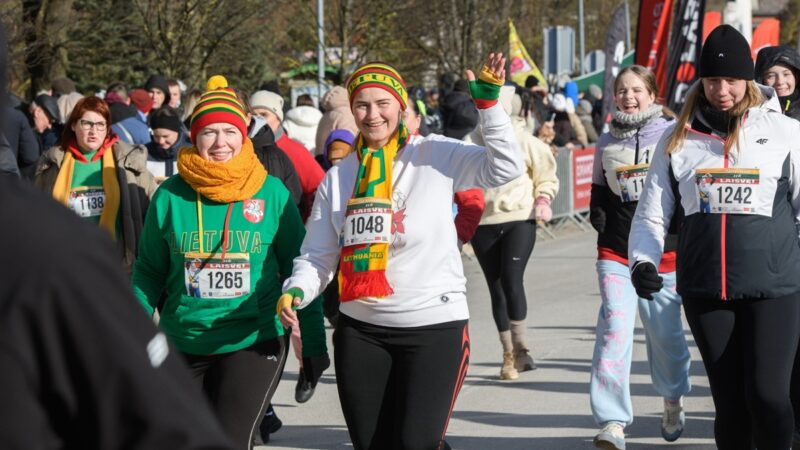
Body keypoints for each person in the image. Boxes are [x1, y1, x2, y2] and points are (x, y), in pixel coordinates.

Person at [278, 54, 523, 450]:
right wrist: (297, 290)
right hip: (361, 330)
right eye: (362, 105)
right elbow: (318, 256)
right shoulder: (339, 178)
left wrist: (489, 108)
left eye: (382, 104)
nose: (372, 115)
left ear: (401, 106)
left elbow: (505, 168)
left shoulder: (436, 154)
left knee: (415, 444)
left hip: (433, 327)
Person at [629, 25, 800, 450]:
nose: (721, 90)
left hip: (774, 287)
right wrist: (643, 261)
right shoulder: (677, 139)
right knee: (731, 403)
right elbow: (653, 210)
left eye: (731, 80)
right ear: (700, 81)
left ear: (747, 80)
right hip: (707, 288)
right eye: (711, 80)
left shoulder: (784, 132)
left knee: (769, 395)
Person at [132, 76, 325, 450]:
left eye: (229, 132)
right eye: (208, 133)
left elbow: (301, 264)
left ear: (244, 136)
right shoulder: (170, 195)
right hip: (183, 339)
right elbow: (149, 271)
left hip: (252, 340)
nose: (220, 143)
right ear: (194, 136)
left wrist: (313, 342)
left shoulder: (270, 192)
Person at [588, 65, 692, 449]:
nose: (628, 97)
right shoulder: (605, 142)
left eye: (636, 90)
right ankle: (612, 420)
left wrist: (680, 233)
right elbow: (600, 191)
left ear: (652, 94)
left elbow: (685, 189)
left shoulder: (671, 134)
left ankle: (672, 398)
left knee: (665, 335)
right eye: (622, 91)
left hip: (662, 253)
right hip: (615, 251)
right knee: (615, 328)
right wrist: (597, 212)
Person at [467, 86, 559, 381]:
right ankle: (508, 355)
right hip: (484, 223)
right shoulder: (471, 141)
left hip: (520, 217)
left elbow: (546, 173)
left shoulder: (524, 140)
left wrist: (543, 199)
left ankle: (521, 348)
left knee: (511, 278)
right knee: (495, 288)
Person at [34, 96, 156, 274]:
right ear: (74, 125)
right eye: (87, 123)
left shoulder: (128, 162)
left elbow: (153, 212)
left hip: (116, 267)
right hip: (65, 267)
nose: (94, 131)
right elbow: (36, 215)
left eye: (100, 124)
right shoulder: (52, 164)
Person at [755, 44, 800, 446]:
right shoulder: (750, 120)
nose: (780, 82)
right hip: (769, 245)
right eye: (771, 75)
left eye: (787, 74)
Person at [146, 106, 190, 182]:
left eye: (165, 136)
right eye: (156, 136)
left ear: (177, 131)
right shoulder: (145, 153)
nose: (161, 141)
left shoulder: (190, 152)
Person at [315, 85, 358, 158]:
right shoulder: (346, 114)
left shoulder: (326, 115)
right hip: (337, 160)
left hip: (321, 158)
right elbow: (344, 140)